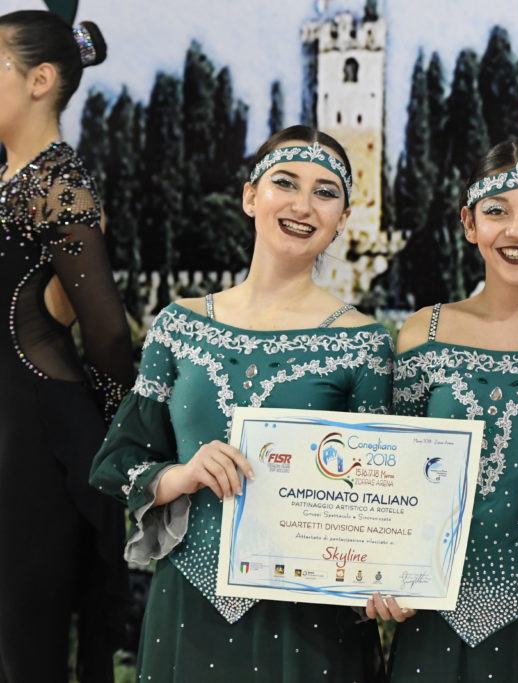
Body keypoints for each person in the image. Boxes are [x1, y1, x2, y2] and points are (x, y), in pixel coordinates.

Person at [90, 125, 398, 681]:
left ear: (342, 219)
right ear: (250, 196)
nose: (304, 205)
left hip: (309, 623)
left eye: (326, 192)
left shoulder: (365, 344)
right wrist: (181, 475)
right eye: (286, 182)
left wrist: (386, 575)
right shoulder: (178, 325)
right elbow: (121, 460)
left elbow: (375, 499)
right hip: (187, 606)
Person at [387, 138, 518, 681]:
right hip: (428, 622)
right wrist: (375, 573)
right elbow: (387, 484)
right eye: (497, 211)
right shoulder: (423, 334)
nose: (517, 230)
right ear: (469, 223)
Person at [0, 11, 132, 682]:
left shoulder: (57, 181)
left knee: (27, 644)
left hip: (34, 434)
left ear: (39, 80)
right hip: (19, 424)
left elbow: (106, 331)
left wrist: (116, 432)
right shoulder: (14, 179)